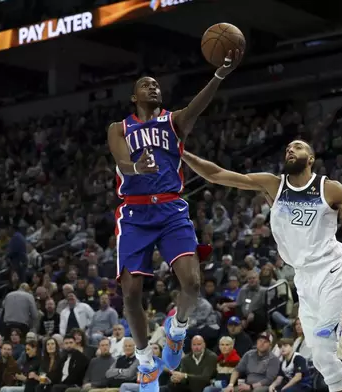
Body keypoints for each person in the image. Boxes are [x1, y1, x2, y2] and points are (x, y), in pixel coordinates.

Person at [182, 140, 342, 392]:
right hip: (303, 278)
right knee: (320, 358)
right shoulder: (273, 184)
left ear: (311, 158)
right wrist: (182, 152)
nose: (290, 150)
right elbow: (217, 175)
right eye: (287, 148)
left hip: (333, 273)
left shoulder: (329, 189)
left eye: (298, 147)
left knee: (325, 350)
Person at [107, 47, 242, 391]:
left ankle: (177, 331)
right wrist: (137, 168)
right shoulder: (119, 128)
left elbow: (199, 104)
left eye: (156, 85)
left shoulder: (173, 121)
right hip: (135, 212)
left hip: (170, 208)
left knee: (193, 283)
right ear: (133, 96)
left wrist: (220, 74)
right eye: (145, 85)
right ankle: (145, 361)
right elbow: (122, 162)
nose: (153, 88)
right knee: (131, 291)